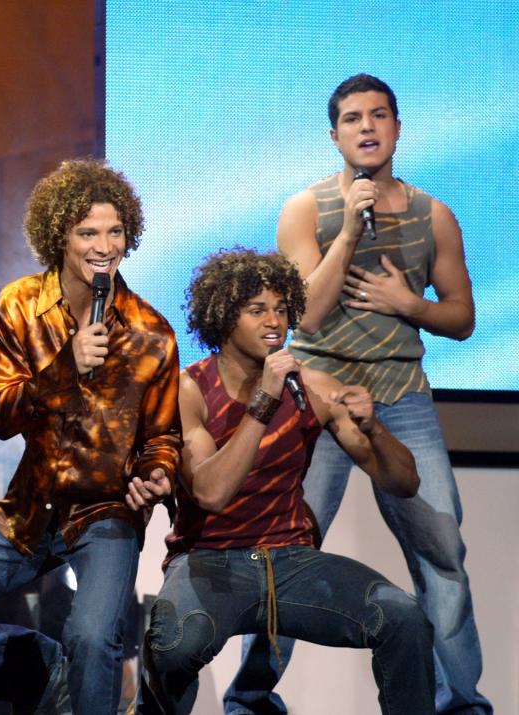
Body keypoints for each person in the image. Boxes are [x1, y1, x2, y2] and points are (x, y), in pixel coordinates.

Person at [225, 73, 491, 715]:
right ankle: (252, 699)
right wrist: (347, 231)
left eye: (378, 115)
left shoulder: (435, 216)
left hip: (403, 396)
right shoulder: (304, 210)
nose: (366, 127)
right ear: (335, 134)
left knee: (442, 550)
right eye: (352, 118)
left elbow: (461, 318)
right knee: (284, 552)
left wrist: (409, 304)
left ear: (397, 128)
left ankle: (456, 703)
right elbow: (306, 317)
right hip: (315, 397)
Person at [0, 158, 180, 714]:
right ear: (59, 236)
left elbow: (162, 437)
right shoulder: (20, 304)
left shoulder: (151, 333)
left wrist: (157, 475)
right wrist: (63, 370)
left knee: (93, 640)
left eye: (115, 231)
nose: (104, 245)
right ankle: (50, 674)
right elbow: (0, 416)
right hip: (28, 508)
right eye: (88, 232)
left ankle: (82, 678)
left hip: (107, 512)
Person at [138, 248, 434, 714]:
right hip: (209, 561)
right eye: (257, 311)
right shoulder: (189, 389)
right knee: (172, 645)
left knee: (403, 616)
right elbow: (211, 494)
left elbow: (404, 483)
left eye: (280, 309)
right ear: (223, 318)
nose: (274, 322)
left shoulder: (313, 388)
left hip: (289, 561)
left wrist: (375, 428)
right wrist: (263, 402)